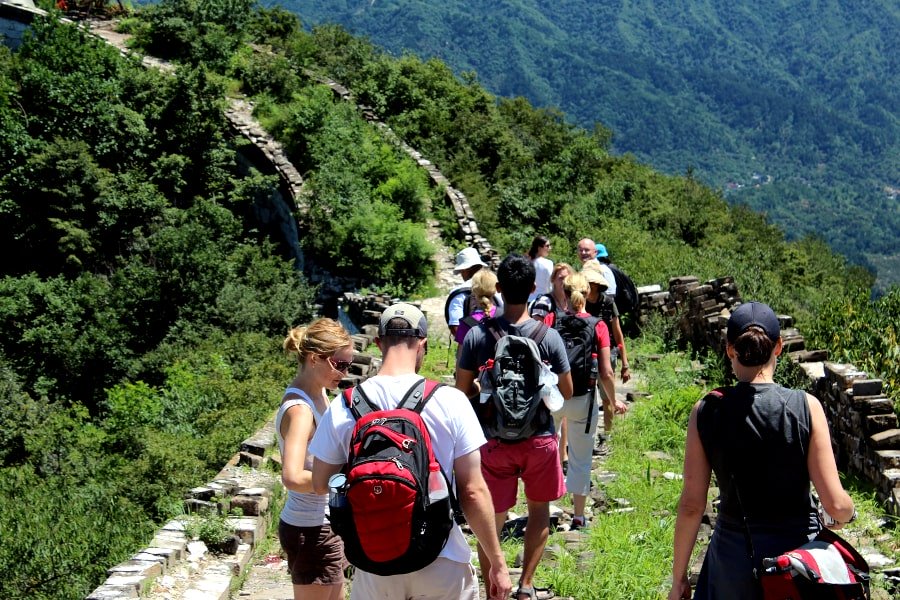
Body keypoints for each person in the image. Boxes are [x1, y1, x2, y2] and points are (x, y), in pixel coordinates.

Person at [310, 304, 512, 600]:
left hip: (373, 562)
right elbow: (472, 492)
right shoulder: (451, 401)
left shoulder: (345, 405)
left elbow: (319, 484)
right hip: (442, 557)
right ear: (423, 345)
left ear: (378, 343)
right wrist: (497, 563)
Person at [669, 302, 855, 600]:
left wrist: (679, 579)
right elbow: (836, 504)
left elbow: (692, 505)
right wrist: (847, 514)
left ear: (730, 350)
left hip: (732, 561)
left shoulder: (706, 410)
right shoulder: (805, 407)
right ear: (778, 347)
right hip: (796, 563)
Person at [456, 254, 574, 600]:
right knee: (538, 511)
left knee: (490, 519)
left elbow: (462, 390)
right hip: (539, 439)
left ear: (499, 289)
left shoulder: (478, 336)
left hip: (492, 442)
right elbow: (566, 391)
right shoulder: (547, 335)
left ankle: (495, 588)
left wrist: (484, 386)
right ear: (534, 290)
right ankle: (525, 586)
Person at [278, 318, 355, 600]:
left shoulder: (319, 393)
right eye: (340, 365)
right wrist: (345, 482)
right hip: (311, 528)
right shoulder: (300, 410)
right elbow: (293, 476)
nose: (344, 374)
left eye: (348, 365)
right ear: (315, 359)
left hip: (322, 524)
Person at [551, 272, 617, 530]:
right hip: (584, 398)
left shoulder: (550, 320)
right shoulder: (598, 325)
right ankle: (578, 516)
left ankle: (544, 508)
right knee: (580, 456)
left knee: (548, 452)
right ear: (588, 293)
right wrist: (612, 400)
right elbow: (606, 372)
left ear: (564, 294)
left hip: (553, 397)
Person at [581, 264, 630, 433]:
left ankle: (608, 434)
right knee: (586, 399)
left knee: (608, 398)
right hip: (585, 354)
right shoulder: (579, 301)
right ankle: (588, 434)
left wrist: (625, 363)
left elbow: (618, 334)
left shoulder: (608, 302)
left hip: (606, 353)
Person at [446, 247, 489, 340]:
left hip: (471, 348)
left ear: (465, 269)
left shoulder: (459, 293)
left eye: (461, 271)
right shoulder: (496, 287)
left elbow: (455, 327)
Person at [454, 268, 499, 346]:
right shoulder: (505, 317)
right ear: (496, 289)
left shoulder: (466, 324)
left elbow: (460, 356)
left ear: (474, 291)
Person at [527, 235, 554, 303]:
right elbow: (551, 285)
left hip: (528, 301)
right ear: (539, 248)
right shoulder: (548, 263)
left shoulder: (527, 263)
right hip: (543, 301)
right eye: (547, 246)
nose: (550, 248)